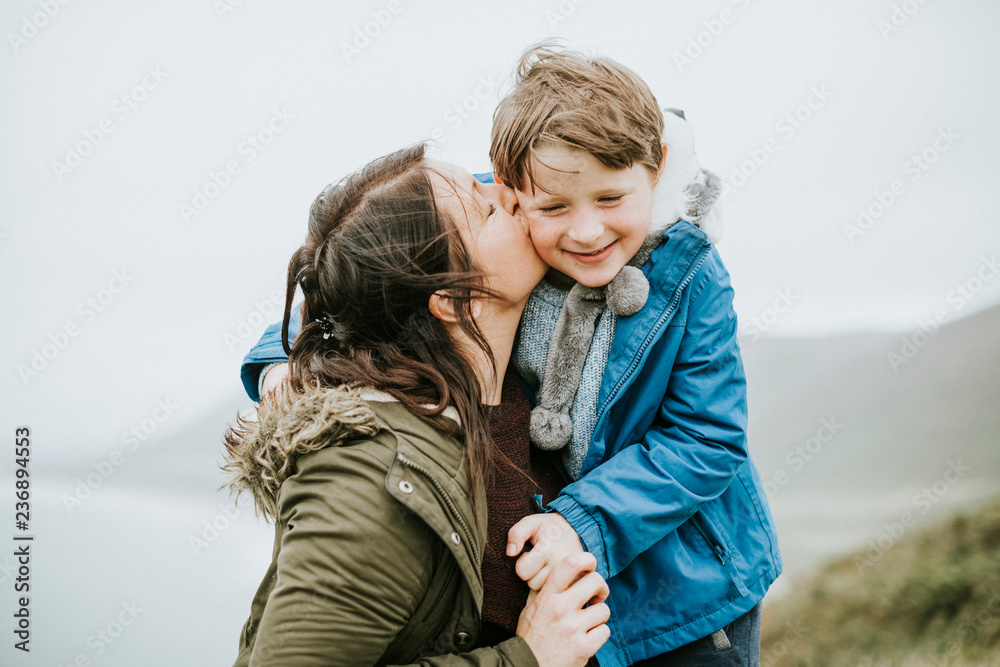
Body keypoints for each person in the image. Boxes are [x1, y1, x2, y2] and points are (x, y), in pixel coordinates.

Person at [223, 144, 611, 666]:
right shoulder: (370, 476)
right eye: (488, 207)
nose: (514, 195)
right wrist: (527, 657)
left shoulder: (528, 392)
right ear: (452, 300)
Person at [485, 45, 782, 666]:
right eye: (555, 208)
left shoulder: (692, 273)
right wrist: (298, 350)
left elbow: (707, 439)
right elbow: (370, 260)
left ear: (657, 167)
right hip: (561, 600)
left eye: (612, 199)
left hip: (689, 601)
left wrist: (583, 522)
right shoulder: (489, 209)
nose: (587, 232)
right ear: (512, 193)